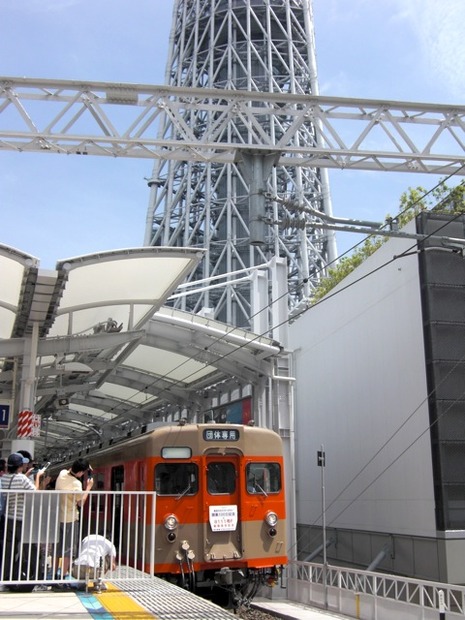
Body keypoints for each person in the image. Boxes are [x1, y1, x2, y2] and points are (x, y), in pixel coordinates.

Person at [1, 452, 45, 584]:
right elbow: (35, 492)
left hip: (8, 519)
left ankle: (6, 577)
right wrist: (38, 477)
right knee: (29, 548)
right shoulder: (22, 479)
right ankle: (34, 577)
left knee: (8, 550)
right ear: (20, 466)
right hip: (21, 520)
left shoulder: (4, 479)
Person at [54, 458, 93, 580]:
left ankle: (54, 573)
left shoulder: (61, 474)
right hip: (70, 518)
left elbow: (69, 470)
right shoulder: (76, 484)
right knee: (68, 549)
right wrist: (88, 488)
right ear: (81, 472)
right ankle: (64, 575)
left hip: (57, 517)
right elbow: (81, 503)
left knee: (57, 547)